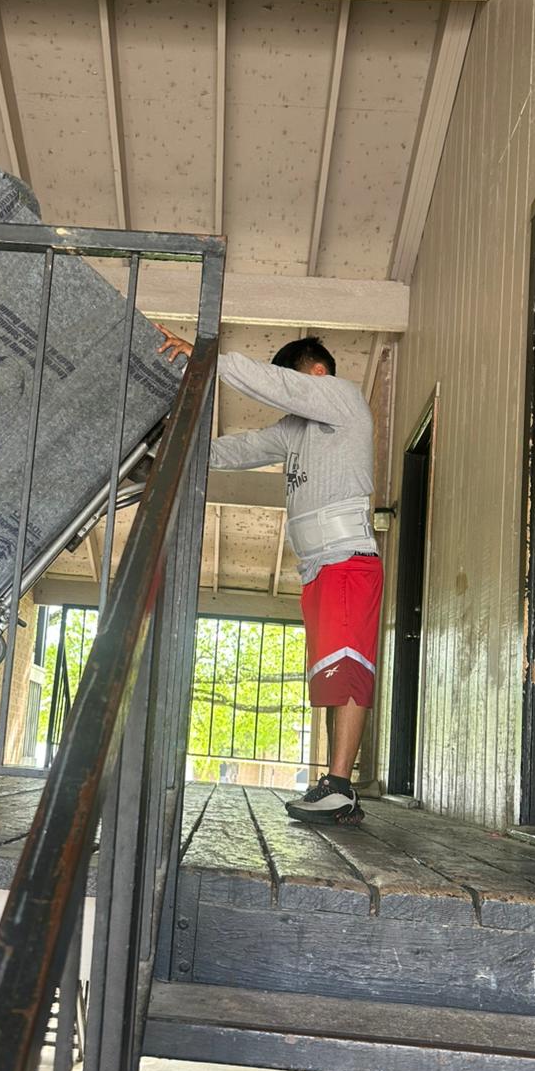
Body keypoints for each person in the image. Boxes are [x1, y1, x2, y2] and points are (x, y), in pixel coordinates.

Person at [156, 326, 381, 826]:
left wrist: (210, 358)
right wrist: (168, 447)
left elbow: (279, 387)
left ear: (316, 374)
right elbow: (239, 450)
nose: (286, 392)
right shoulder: (297, 430)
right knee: (328, 677)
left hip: (347, 558)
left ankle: (341, 788)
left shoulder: (342, 400)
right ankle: (332, 783)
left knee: (348, 671)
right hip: (318, 567)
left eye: (291, 381)